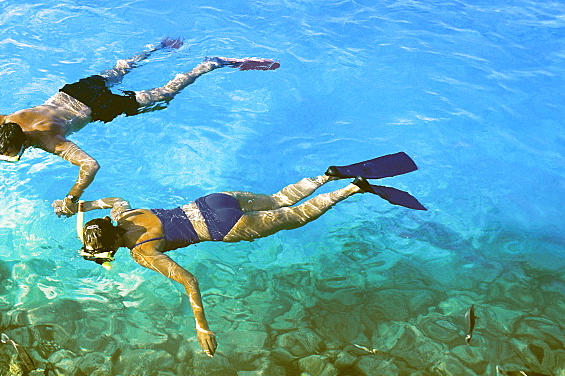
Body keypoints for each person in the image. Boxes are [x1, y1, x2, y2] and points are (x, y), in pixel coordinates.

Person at [74, 152, 426, 356]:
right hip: (214, 201)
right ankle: (325, 175)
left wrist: (201, 326)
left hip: (220, 229)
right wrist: (79, 203)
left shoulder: (143, 253)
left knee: (296, 217)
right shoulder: (124, 215)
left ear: (107, 249)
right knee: (279, 199)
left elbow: (189, 281)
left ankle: (352, 187)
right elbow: (113, 199)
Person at [0, 39, 280, 216]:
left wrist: (72, 199)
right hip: (72, 92)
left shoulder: (48, 140)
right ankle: (159, 45)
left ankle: (210, 64)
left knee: (164, 94)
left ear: (22, 143)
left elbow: (91, 165)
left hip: (97, 108)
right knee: (120, 69)